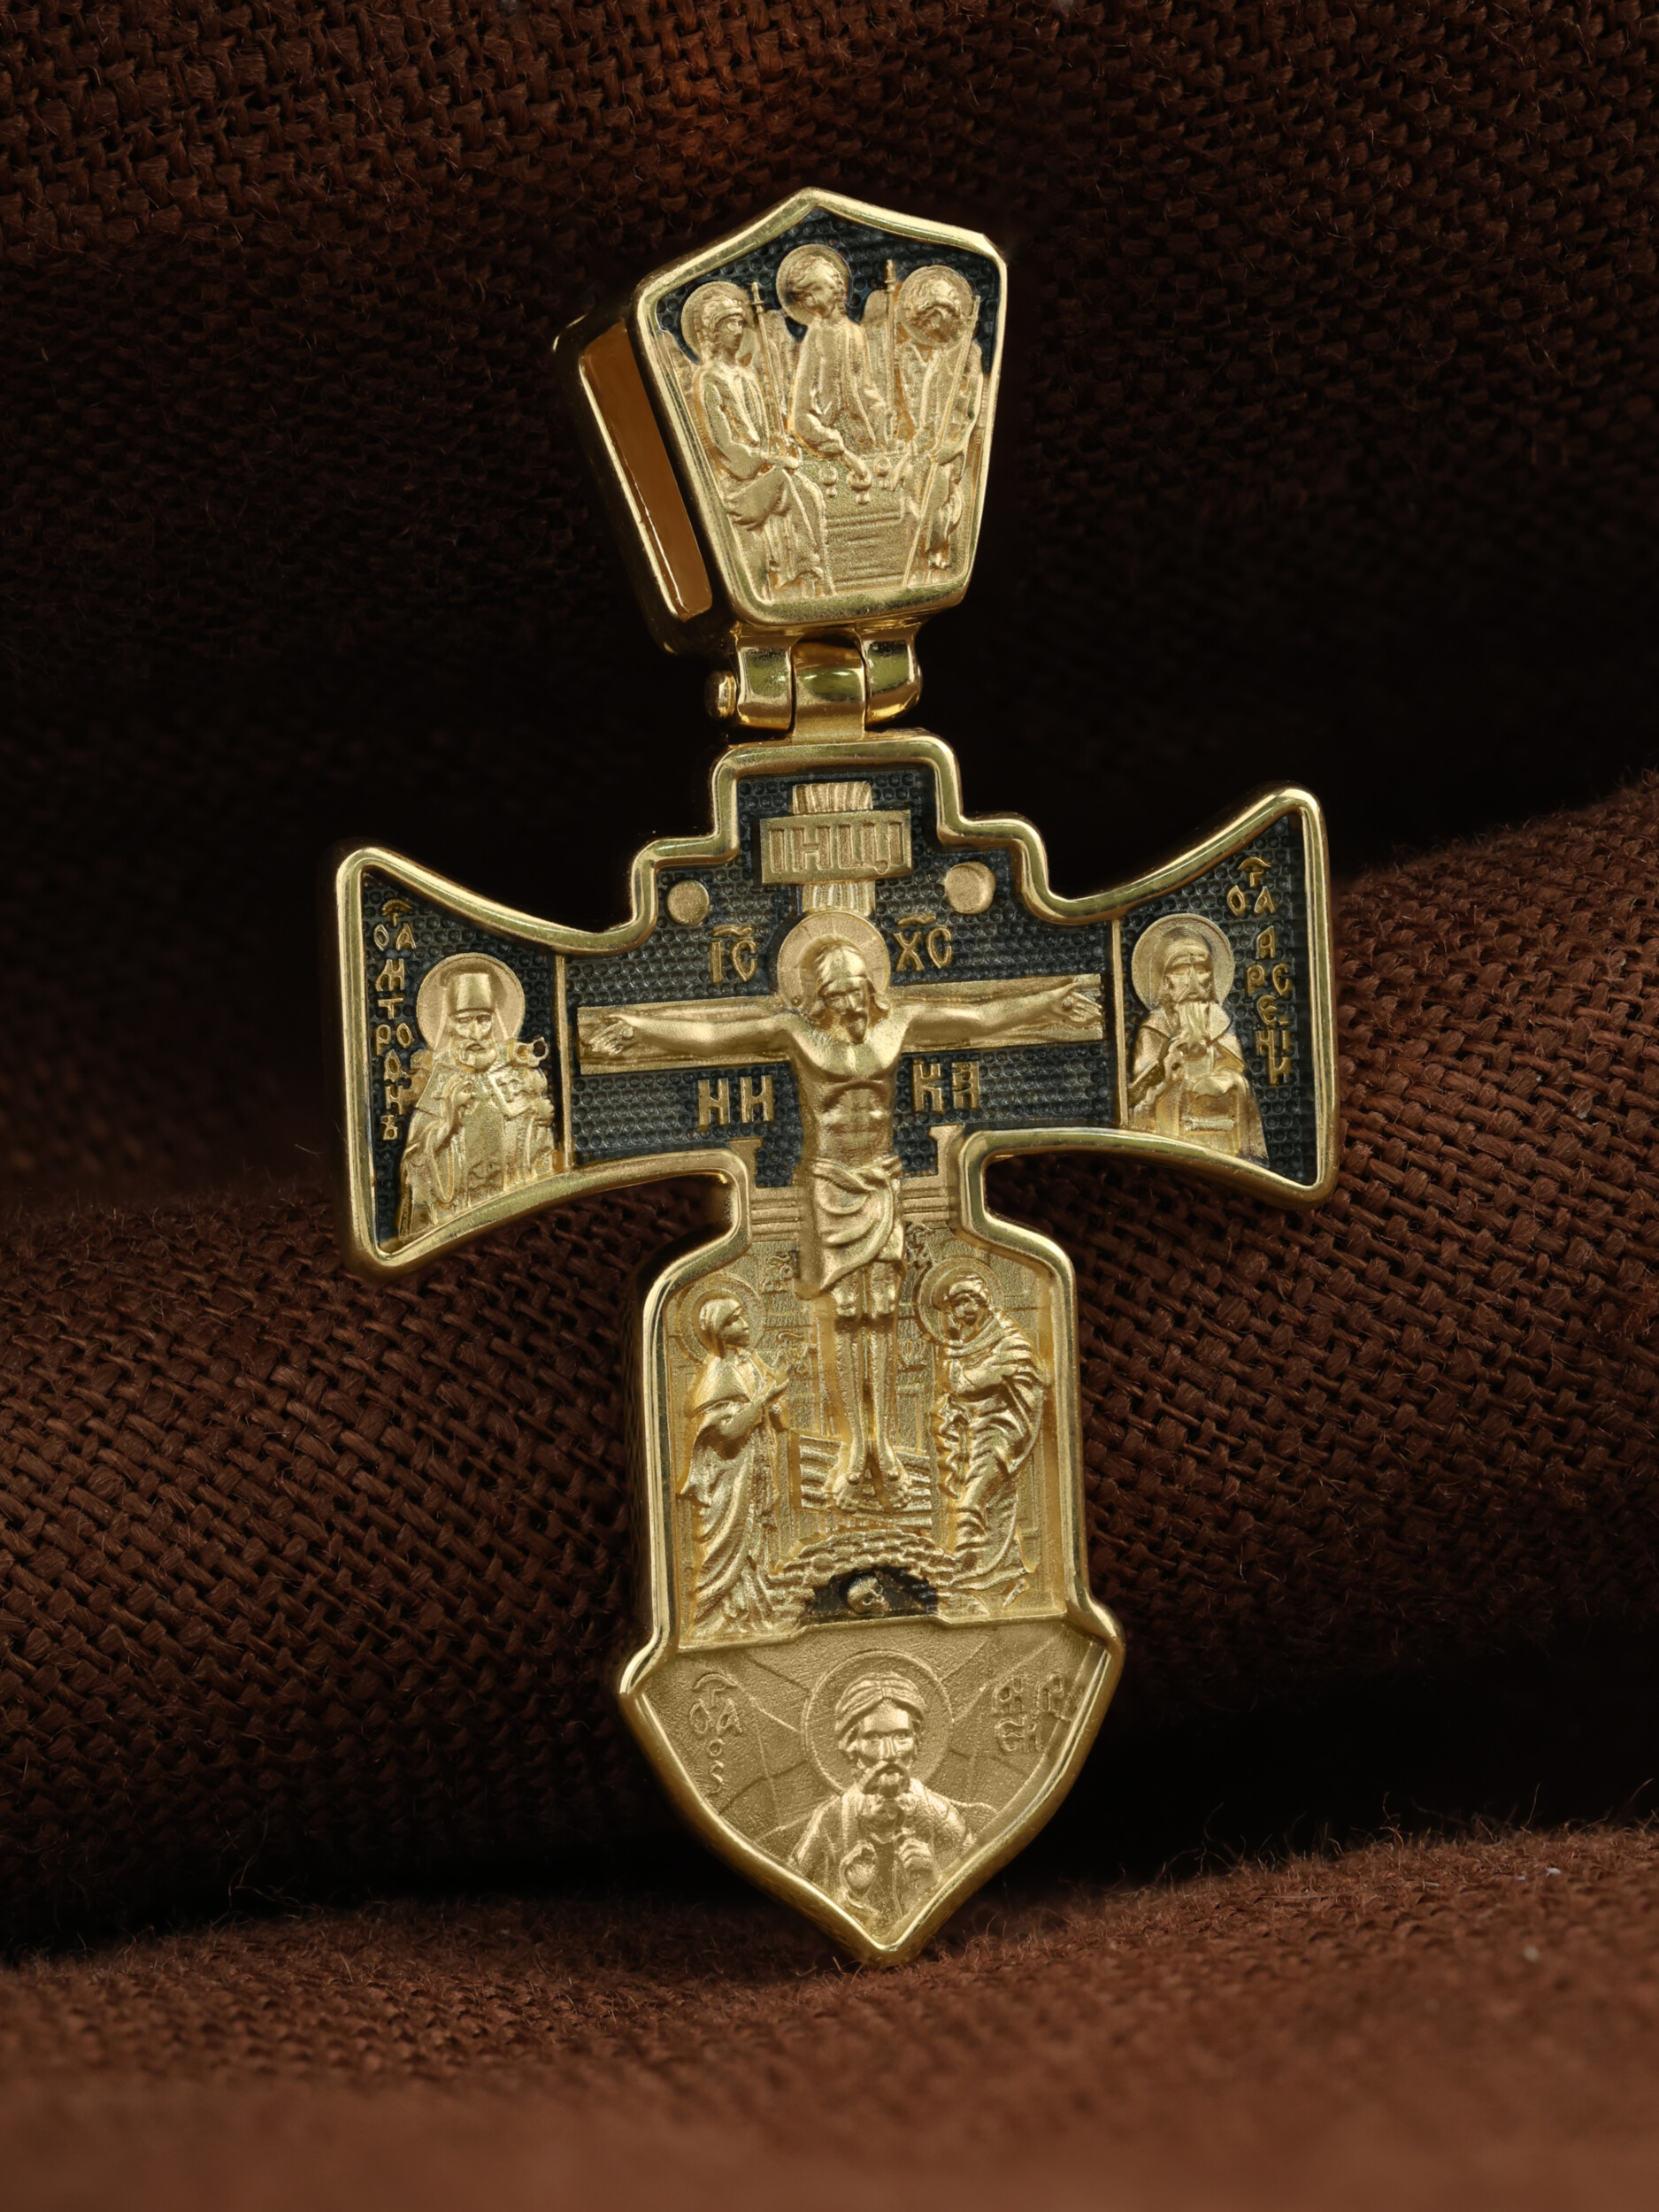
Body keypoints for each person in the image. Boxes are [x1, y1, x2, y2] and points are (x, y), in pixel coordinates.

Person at [584, 918, 1097, 1506]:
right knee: (846, 1313)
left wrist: (1046, 1002)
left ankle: (882, 1442)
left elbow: (978, 1019)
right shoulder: (795, 1033)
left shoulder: (899, 1023)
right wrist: (636, 1027)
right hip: (830, 1186)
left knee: (883, 1310)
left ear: (871, 988)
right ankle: (855, 1445)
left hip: (881, 1181)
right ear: (818, 998)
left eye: (857, 991)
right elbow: (712, 1034)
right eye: (837, 994)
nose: (851, 1004)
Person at [679, 280, 829, 603]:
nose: (738, 330)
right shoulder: (708, 379)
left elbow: (764, 434)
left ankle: (816, 582)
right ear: (714, 333)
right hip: (737, 487)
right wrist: (771, 461)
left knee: (810, 491)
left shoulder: (747, 376)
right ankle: (806, 566)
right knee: (784, 483)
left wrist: (781, 446)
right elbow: (724, 446)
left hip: (762, 473)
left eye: (740, 323)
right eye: (729, 325)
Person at [789, 1671, 972, 1922]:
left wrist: (934, 1878)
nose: (890, 1753)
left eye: (902, 1736)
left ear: (916, 1742)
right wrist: (851, 1892)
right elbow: (792, 1887)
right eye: (874, 1738)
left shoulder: (935, 1811)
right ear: (853, 1746)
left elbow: (975, 1872)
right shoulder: (832, 1819)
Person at [397, 968, 556, 1234]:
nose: (476, 1033)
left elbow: (539, 1152)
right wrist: (449, 1122)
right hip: (456, 1218)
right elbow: (414, 1162)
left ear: (495, 1020)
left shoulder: (519, 1073)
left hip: (516, 1215)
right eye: (464, 1021)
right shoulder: (440, 1077)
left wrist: (539, 1121)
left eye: (483, 1020)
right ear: (449, 1024)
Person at [932, 1271, 1044, 1597]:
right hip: (982, 1433)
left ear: (984, 1301)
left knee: (971, 1502)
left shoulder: (1011, 1344)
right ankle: (1008, 1577)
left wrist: (953, 1346)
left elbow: (966, 1384)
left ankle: (965, 1569)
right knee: (999, 1504)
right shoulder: (978, 1342)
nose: (962, 1311)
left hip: (1004, 1434)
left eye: (968, 1302)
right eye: (955, 1305)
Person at [680, 1294, 787, 1635]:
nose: (745, 1325)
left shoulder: (751, 1363)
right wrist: (763, 1401)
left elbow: (778, 1420)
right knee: (726, 1543)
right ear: (719, 1332)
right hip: (728, 1474)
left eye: (743, 1316)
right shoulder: (717, 1372)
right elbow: (726, 1434)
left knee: (752, 1540)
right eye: (734, 1320)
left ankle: (749, 1612)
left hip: (753, 1468)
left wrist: (774, 1399)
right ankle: (712, 1619)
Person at [1128, 925, 1268, 1163]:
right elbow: (1138, 1098)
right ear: (1165, 980)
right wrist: (1167, 1077)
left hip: (1223, 1133)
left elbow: (1237, 1076)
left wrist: (1227, 1082)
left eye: (1201, 969)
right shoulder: (1155, 1028)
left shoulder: (1220, 1021)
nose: (1192, 981)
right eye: (1181, 970)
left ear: (1211, 978)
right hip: (1173, 1135)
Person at [894, 266, 983, 579]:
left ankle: (936, 547)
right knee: (909, 477)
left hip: (955, 447)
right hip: (932, 445)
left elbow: (972, 413)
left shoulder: (969, 353)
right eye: (924, 322)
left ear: (949, 314)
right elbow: (927, 423)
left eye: (933, 318)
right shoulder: (937, 360)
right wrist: (910, 452)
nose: (929, 328)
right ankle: (916, 550)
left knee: (936, 480)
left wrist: (954, 447)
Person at [779, 246, 889, 495]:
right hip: (830, 442)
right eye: (804, 296)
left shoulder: (855, 332)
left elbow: (866, 388)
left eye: (816, 290)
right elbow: (801, 410)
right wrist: (834, 445)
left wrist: (883, 416)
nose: (811, 300)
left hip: (863, 435)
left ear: (835, 287)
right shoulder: (814, 336)